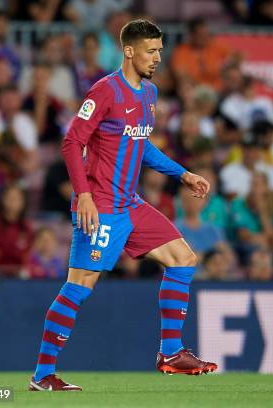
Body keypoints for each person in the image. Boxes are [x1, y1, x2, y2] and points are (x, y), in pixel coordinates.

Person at [29, 19, 217, 392]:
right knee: (79, 287)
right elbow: (71, 142)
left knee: (183, 258)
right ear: (129, 51)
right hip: (100, 205)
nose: (158, 58)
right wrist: (83, 195)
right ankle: (42, 375)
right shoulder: (104, 91)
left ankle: (171, 352)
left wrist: (182, 174)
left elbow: (141, 145)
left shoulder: (149, 93)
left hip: (130, 204)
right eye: (151, 51)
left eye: (160, 51)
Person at [170, 18, 233, 91]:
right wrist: (201, 87)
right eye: (200, 34)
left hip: (220, 89)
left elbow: (234, 61)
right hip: (195, 90)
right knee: (184, 85)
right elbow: (180, 74)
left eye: (206, 34)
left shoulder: (218, 47)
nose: (205, 37)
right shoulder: (182, 51)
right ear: (192, 35)